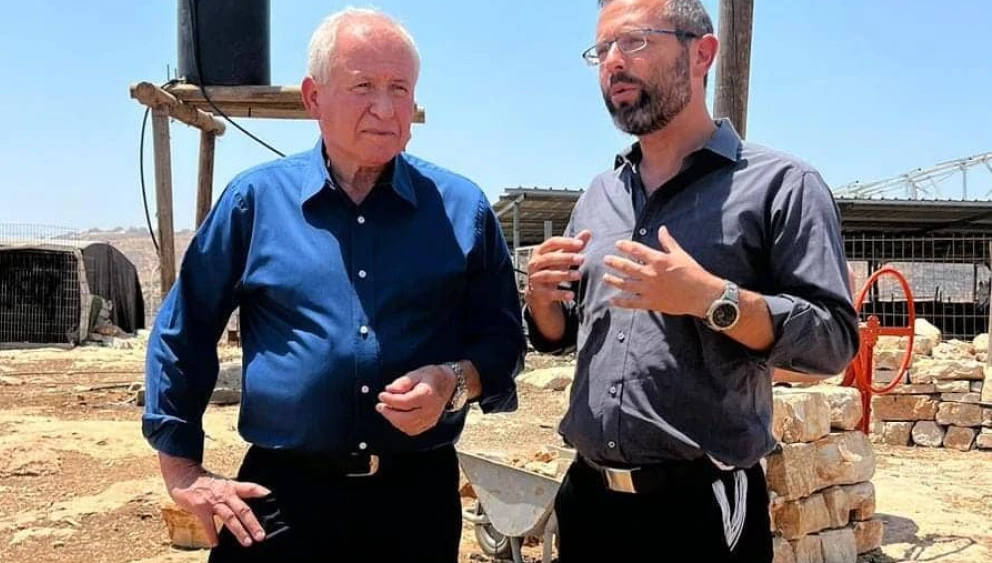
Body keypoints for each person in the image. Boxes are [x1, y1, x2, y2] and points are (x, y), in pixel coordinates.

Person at [141, 8, 526, 562]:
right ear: (313, 97)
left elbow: (503, 344)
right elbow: (184, 330)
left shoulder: (462, 209)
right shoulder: (255, 202)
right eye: (363, 86)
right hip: (278, 501)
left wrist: (453, 382)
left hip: (414, 503)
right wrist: (182, 471)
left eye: (400, 88)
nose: (386, 108)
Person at [523, 0, 860, 561]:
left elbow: (832, 344)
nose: (613, 63)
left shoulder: (782, 186)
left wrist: (714, 300)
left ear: (702, 53)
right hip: (588, 502)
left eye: (633, 42)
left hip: (700, 509)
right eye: (601, 50)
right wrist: (542, 301)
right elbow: (574, 332)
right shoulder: (599, 196)